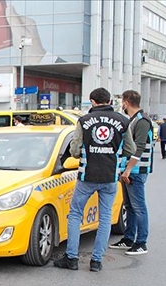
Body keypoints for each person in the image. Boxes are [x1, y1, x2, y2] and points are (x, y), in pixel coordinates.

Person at [54, 88, 136, 272]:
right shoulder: (123, 121)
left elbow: (74, 151)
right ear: (109, 100)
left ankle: (71, 258)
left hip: (87, 176)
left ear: (92, 101)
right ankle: (97, 261)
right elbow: (130, 149)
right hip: (110, 177)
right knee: (105, 218)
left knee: (75, 214)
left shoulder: (83, 121)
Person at [108, 90, 153, 256]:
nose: (122, 105)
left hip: (136, 170)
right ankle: (128, 238)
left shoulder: (142, 121)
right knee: (129, 207)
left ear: (126, 102)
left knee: (139, 207)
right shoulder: (133, 120)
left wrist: (127, 170)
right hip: (128, 170)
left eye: (122, 102)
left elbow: (139, 148)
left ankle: (141, 242)